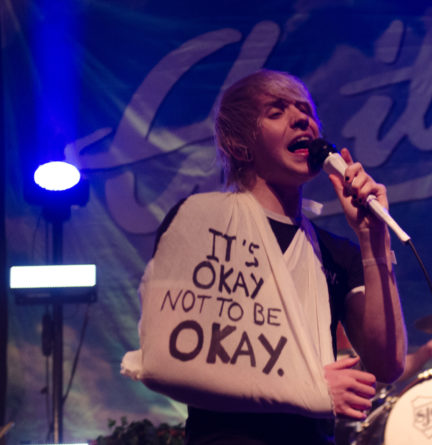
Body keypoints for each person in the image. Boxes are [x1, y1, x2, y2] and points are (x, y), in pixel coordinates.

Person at [132, 69, 407, 445]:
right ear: (240, 142)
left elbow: (386, 364)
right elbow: (167, 359)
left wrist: (372, 238)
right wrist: (305, 385)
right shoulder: (199, 224)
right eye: (276, 111)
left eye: (306, 110)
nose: (302, 119)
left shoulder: (335, 254)